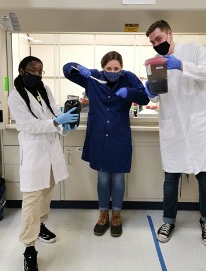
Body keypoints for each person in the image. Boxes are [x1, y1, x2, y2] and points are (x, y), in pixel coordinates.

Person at [145, 20, 206, 247]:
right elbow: (156, 96)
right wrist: (149, 90)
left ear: (170, 34)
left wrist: (181, 66)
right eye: (152, 42)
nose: (156, 44)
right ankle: (168, 220)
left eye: (159, 39)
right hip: (174, 132)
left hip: (198, 130)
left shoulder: (194, 50)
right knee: (170, 179)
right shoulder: (156, 64)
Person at [63, 51, 149, 237]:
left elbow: (145, 97)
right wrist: (78, 67)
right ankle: (103, 214)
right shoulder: (93, 77)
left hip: (119, 136)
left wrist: (130, 93)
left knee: (118, 178)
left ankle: (116, 214)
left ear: (121, 68)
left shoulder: (128, 78)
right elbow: (67, 70)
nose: (112, 71)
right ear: (103, 68)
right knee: (102, 177)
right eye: (109, 68)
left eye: (116, 68)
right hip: (99, 136)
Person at [8, 56, 79, 271]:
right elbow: (29, 125)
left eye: (40, 71)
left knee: (47, 193)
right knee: (31, 200)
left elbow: (55, 114)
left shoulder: (44, 89)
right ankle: (29, 248)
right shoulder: (15, 96)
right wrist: (57, 122)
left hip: (51, 153)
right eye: (32, 70)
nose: (37, 74)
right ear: (22, 71)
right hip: (34, 155)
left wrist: (66, 124)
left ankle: (40, 226)